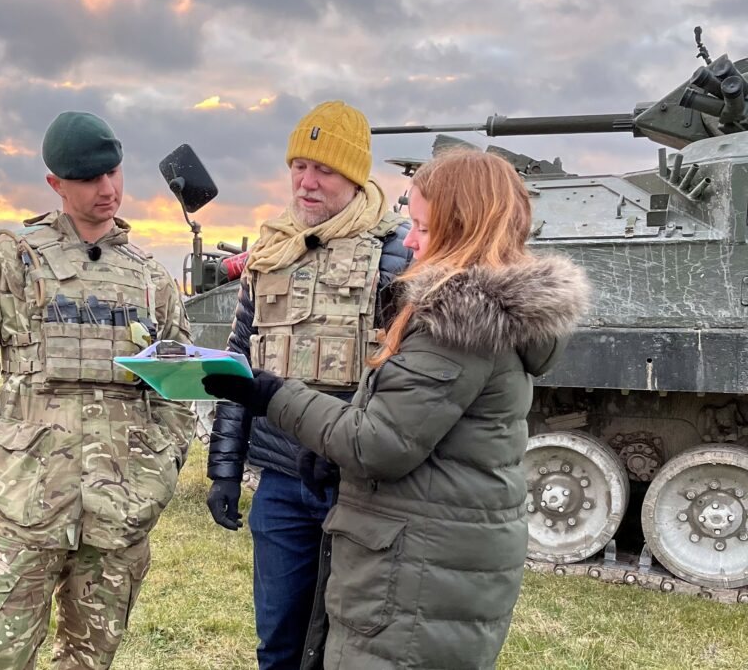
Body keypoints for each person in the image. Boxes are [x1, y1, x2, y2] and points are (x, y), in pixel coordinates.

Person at [203, 149, 590, 669]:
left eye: (424, 230)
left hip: (415, 575)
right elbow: (411, 420)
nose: (409, 242)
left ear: (464, 231)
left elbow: (376, 445)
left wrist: (270, 393)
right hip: (430, 557)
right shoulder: (484, 318)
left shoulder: (458, 325)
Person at [0, 111, 196, 670]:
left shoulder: (151, 279)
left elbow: (178, 385)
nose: (108, 189)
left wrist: (159, 468)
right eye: (88, 179)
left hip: (119, 507)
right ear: (56, 184)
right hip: (26, 507)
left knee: (88, 662)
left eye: (114, 173)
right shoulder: (7, 263)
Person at [205, 100, 410, 669]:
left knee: (342, 645)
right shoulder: (269, 253)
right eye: (298, 165)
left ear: (355, 175)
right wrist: (224, 468)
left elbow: (402, 374)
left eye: (323, 168)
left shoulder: (394, 255)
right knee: (278, 642)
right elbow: (237, 364)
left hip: (357, 484)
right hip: (278, 484)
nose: (306, 181)